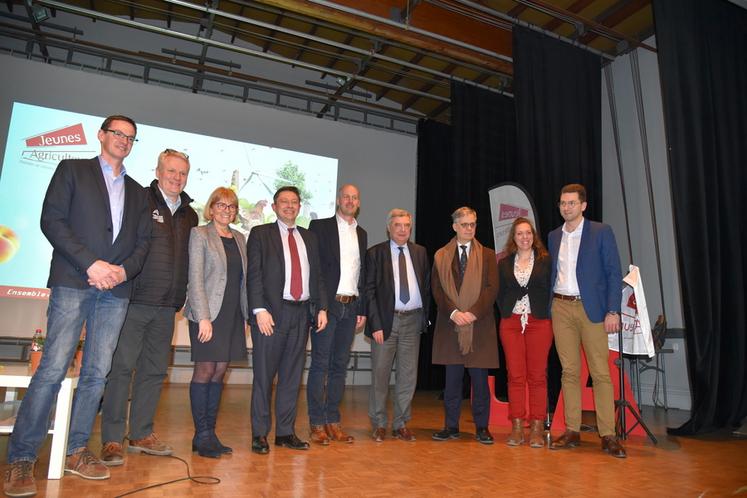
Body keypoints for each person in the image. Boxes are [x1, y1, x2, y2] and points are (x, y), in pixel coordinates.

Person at [4, 115, 150, 497]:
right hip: (74, 281)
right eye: (117, 133)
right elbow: (52, 221)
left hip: (115, 291)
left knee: (97, 374)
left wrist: (120, 271)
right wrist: (91, 263)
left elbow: (143, 246)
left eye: (130, 137)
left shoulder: (138, 192)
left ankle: (77, 449)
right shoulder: (71, 170)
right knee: (52, 369)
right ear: (101, 136)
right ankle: (21, 457)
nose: (123, 140)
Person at [99, 149, 198, 465]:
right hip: (134, 301)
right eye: (171, 171)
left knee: (155, 371)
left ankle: (141, 434)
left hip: (168, 306)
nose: (176, 177)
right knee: (121, 369)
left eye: (182, 173)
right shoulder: (139, 200)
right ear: (158, 171)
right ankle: (112, 439)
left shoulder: (190, 214)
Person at [247, 186, 328, 455]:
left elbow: (317, 277)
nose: (289, 206)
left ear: (300, 207)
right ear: (274, 206)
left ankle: (284, 432)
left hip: (301, 313)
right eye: (284, 202)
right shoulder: (260, 234)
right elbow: (254, 275)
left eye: (294, 202)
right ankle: (260, 434)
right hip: (271, 314)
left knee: (292, 378)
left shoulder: (310, 237)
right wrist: (259, 310)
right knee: (264, 377)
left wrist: (322, 308)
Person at [548, 183, 626, 458]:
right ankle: (572, 430)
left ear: (583, 205)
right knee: (568, 372)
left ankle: (608, 434)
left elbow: (614, 273)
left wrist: (613, 310)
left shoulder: (601, 232)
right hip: (561, 307)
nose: (566, 207)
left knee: (600, 373)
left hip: (592, 310)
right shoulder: (554, 236)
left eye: (571, 203)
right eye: (562, 203)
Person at [183, 187, 249, 458]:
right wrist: (203, 318)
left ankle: (210, 433)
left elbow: (243, 281)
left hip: (233, 315)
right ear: (210, 208)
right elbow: (195, 278)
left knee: (220, 372)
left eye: (231, 206)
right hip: (209, 315)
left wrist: (245, 316)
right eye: (220, 205)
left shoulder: (240, 238)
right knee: (205, 371)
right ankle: (201, 435)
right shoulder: (199, 234)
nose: (226, 210)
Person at [430, 207, 499, 445]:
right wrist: (454, 312)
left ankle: (482, 427)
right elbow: (437, 289)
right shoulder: (441, 255)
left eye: (473, 224)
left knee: (480, 382)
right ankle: (451, 426)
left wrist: (472, 313)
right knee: (452, 381)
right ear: (455, 227)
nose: (470, 229)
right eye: (465, 224)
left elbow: (492, 289)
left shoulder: (488, 255)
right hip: (451, 326)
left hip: (479, 327)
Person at [306, 184, 367, 445]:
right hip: (328, 306)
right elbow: (315, 270)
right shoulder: (319, 227)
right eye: (346, 197)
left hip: (351, 306)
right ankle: (316, 423)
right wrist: (320, 306)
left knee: (339, 367)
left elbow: (361, 273)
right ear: (338, 200)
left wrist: (361, 309)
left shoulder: (361, 233)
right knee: (320, 365)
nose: (350, 201)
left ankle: (333, 420)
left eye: (354, 197)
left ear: (358, 202)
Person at [365, 208, 430, 443]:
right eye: (398, 225)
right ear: (389, 228)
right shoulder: (375, 253)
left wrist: (425, 318)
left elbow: (426, 287)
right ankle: (380, 423)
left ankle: (401, 423)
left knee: (408, 375)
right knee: (380, 375)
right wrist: (375, 324)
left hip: (412, 320)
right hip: (385, 321)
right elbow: (369, 292)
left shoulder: (420, 252)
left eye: (406, 226)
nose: (402, 230)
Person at [497, 217, 553, 448]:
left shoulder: (546, 261)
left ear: (534, 236)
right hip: (511, 323)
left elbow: (551, 288)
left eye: (528, 233)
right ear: (514, 237)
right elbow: (499, 292)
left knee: (537, 376)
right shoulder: (503, 263)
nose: (524, 237)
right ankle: (517, 426)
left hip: (538, 322)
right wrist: (506, 309)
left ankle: (537, 427)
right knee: (515, 376)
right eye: (519, 233)